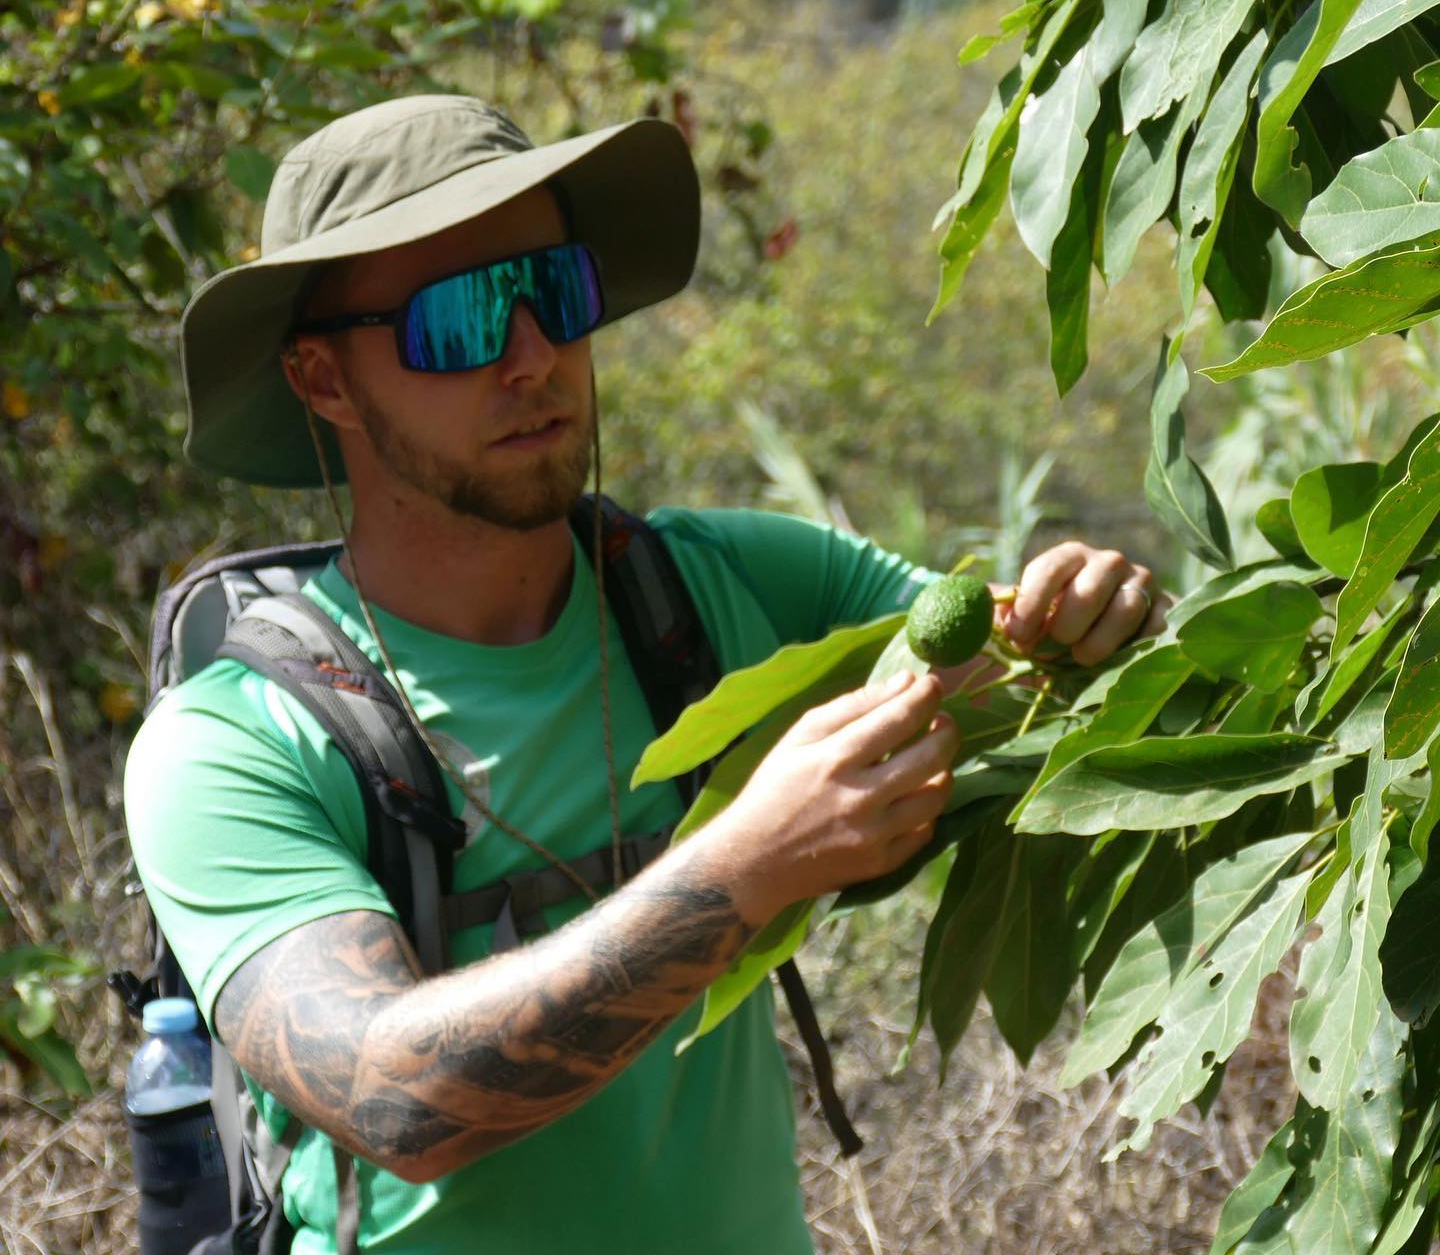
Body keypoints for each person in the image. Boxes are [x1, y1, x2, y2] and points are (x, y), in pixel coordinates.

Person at [124, 95, 1168, 1254]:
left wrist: (1098, 620)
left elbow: (1034, 678)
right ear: (323, 379)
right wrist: (747, 864)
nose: (532, 358)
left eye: (556, 293)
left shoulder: (735, 589)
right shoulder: (237, 743)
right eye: (460, 320)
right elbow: (392, 1098)